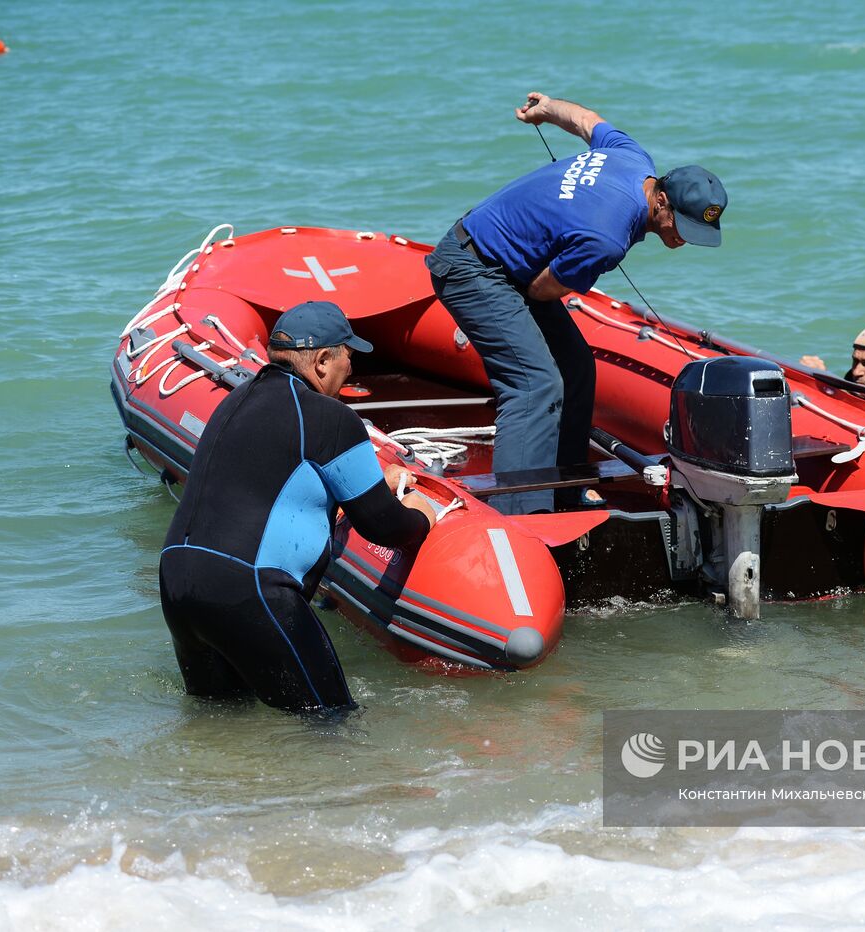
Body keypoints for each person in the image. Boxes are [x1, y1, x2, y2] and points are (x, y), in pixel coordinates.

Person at [425, 92, 727, 514]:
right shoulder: (606, 239)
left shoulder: (632, 158)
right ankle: (519, 513)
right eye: (683, 225)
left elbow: (585, 119)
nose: (684, 239)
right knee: (535, 383)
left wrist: (545, 108)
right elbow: (541, 291)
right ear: (660, 200)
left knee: (577, 368)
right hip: (471, 269)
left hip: (505, 265)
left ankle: (565, 486)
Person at [158, 301, 437, 713]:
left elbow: (271, 485)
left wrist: (377, 481)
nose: (351, 369)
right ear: (323, 360)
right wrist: (420, 514)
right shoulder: (330, 416)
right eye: (348, 356)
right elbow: (384, 526)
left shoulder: (233, 402)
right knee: (331, 724)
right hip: (250, 589)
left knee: (221, 722)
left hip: (178, 581)